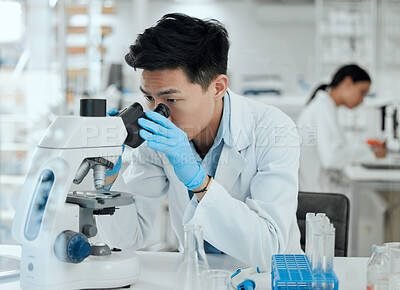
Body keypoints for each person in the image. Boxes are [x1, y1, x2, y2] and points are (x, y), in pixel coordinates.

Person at [97, 13, 302, 269]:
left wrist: (199, 182)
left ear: (217, 88)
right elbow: (126, 240)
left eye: (171, 100)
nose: (158, 113)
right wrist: (107, 182)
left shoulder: (274, 129)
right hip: (196, 275)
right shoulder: (157, 140)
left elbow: (269, 249)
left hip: (267, 278)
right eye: (149, 98)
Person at [297, 64, 371, 192]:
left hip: (325, 187)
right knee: (377, 203)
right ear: (347, 83)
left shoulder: (325, 106)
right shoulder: (322, 108)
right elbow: (331, 158)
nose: (362, 100)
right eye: (362, 92)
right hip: (321, 191)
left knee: (376, 202)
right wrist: (369, 154)